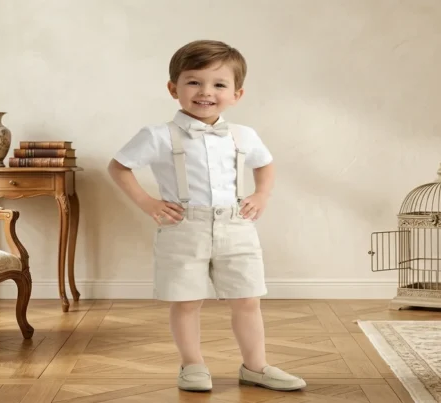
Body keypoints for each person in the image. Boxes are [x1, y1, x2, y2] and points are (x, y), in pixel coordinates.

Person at [107, 39, 306, 392]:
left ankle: (256, 366)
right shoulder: (157, 135)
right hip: (184, 227)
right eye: (194, 82)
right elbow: (119, 167)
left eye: (219, 84)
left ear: (236, 94)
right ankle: (192, 364)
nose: (206, 92)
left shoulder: (243, 135)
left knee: (247, 299)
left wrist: (261, 194)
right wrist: (148, 203)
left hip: (236, 226)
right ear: (174, 88)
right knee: (186, 301)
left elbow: (265, 164)